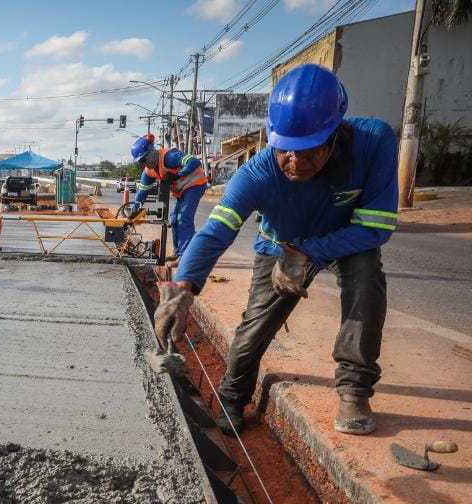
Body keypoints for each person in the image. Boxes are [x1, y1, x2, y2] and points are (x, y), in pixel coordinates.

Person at [154, 63, 398, 437]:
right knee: (256, 325)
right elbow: (216, 230)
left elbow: (376, 227)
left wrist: (308, 253)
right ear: (271, 137)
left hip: (348, 238)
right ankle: (234, 397)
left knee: (366, 280)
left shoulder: (373, 141)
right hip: (278, 243)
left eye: (309, 151)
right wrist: (184, 285)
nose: (295, 162)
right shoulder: (258, 173)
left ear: (334, 135)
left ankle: (354, 389)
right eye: (285, 150)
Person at [128, 135, 207, 263]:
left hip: (195, 185)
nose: (144, 163)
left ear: (152, 151)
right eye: (141, 161)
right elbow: (142, 192)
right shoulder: (148, 172)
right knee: (174, 219)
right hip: (181, 191)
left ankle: (186, 256)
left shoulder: (169, 156)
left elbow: (194, 162)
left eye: (144, 159)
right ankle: (178, 252)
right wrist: (134, 209)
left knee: (183, 218)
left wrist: (176, 175)